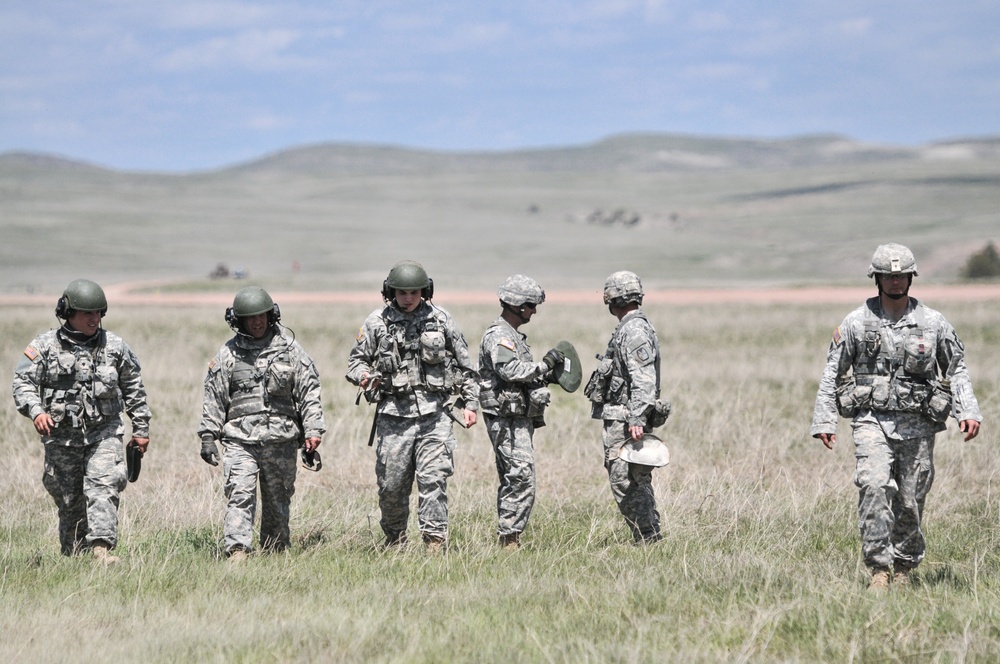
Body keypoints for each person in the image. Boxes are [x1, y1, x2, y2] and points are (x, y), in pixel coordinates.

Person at [811, 243, 983, 590]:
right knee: (874, 485)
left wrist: (969, 410)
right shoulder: (857, 322)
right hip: (871, 420)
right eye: (888, 276)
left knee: (910, 500)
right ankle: (879, 570)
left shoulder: (933, 322)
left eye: (901, 276)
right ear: (876, 279)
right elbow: (833, 371)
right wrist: (825, 420)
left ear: (910, 278)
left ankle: (904, 569)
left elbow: (957, 368)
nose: (895, 282)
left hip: (918, 425)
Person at [12, 279, 151, 564]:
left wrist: (141, 429)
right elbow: (22, 382)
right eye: (87, 313)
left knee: (104, 486)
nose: (94, 318)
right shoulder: (45, 346)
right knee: (69, 501)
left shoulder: (114, 346)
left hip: (105, 433)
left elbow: (134, 388)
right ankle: (75, 558)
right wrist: (37, 411)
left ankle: (102, 550)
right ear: (68, 312)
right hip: (62, 438)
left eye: (98, 312)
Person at [346, 260, 479, 552]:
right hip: (394, 417)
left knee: (433, 482)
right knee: (391, 488)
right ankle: (394, 540)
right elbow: (355, 362)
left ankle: (434, 543)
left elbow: (465, 366)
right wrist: (365, 377)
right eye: (402, 292)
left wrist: (471, 403)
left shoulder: (441, 319)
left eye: (414, 292)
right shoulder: (377, 322)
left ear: (425, 291)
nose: (408, 297)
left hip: (436, 415)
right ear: (390, 291)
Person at [198, 287, 325, 560]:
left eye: (262, 316)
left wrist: (313, 431)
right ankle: (238, 551)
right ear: (238, 321)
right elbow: (215, 396)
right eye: (250, 318)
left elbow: (309, 392)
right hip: (239, 441)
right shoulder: (228, 355)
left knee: (278, 501)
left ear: (272, 315)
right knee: (240, 494)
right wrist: (208, 436)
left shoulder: (291, 351)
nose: (257, 322)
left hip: (281, 441)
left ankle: (275, 552)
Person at [478, 275, 564, 549]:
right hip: (506, 421)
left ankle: (509, 538)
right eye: (530, 305)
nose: (534, 311)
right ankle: (510, 541)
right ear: (516, 305)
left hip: (517, 418)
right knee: (521, 477)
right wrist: (544, 365)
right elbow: (508, 370)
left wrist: (545, 377)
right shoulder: (500, 335)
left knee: (516, 476)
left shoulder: (513, 335)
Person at [585, 271, 669, 544]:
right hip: (625, 415)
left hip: (626, 418)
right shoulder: (630, 327)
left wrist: (637, 417)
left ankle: (647, 536)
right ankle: (648, 535)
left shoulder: (633, 330)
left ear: (614, 299)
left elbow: (643, 378)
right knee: (633, 478)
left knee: (626, 480)